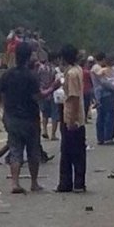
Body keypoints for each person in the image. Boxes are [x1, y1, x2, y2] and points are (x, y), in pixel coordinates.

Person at [0, 42, 59, 194]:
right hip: (29, 118)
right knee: (33, 151)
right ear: (28, 56)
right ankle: (34, 182)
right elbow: (38, 96)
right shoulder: (30, 76)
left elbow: (2, 95)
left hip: (12, 117)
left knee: (15, 149)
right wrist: (53, 88)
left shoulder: (7, 75)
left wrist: (5, 111)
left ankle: (14, 183)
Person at [57, 44, 87, 193]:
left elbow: (74, 97)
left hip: (72, 118)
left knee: (72, 151)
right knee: (70, 151)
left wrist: (72, 120)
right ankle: (69, 183)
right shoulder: (75, 70)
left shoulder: (72, 74)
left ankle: (75, 183)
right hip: (73, 116)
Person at [91, 53, 114, 145]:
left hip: (99, 95)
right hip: (106, 94)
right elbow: (104, 82)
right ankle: (108, 138)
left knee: (101, 117)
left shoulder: (96, 68)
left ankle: (101, 138)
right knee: (109, 116)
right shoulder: (98, 68)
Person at [36, 53, 60, 140]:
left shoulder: (41, 68)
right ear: (55, 59)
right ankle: (53, 135)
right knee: (55, 115)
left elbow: (37, 79)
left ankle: (45, 131)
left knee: (45, 114)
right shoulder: (55, 70)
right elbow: (58, 81)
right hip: (52, 93)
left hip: (42, 93)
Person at [81, 56, 94, 123]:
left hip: (81, 90)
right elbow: (91, 81)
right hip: (87, 90)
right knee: (86, 105)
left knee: (82, 105)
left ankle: (82, 118)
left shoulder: (80, 72)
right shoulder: (87, 72)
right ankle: (85, 118)